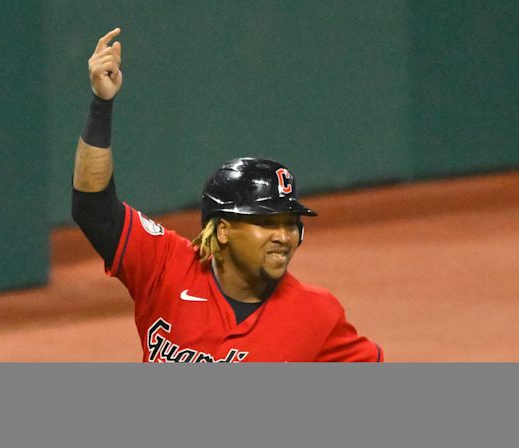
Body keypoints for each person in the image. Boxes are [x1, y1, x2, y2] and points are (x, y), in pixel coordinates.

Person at [71, 27, 383, 363]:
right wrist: (101, 106)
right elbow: (93, 207)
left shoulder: (316, 315)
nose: (283, 236)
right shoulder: (166, 267)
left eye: (290, 223)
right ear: (223, 230)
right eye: (266, 222)